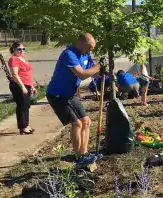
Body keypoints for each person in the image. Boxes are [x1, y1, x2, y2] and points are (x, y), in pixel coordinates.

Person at [47, 33, 105, 165]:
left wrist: (102, 71)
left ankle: (84, 153)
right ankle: (78, 156)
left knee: (86, 121)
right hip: (57, 95)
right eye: (89, 47)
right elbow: (82, 74)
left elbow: (93, 73)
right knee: (77, 123)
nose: (91, 51)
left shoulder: (86, 55)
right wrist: (98, 65)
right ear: (80, 43)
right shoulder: (69, 54)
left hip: (70, 94)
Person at [8, 42, 36, 135]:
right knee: (21, 106)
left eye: (23, 49)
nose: (21, 51)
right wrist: (22, 87)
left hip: (27, 84)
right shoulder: (13, 59)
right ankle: (22, 127)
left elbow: (28, 73)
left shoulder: (23, 59)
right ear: (14, 50)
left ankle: (26, 125)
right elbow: (15, 75)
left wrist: (32, 86)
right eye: (19, 49)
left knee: (27, 106)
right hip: (18, 85)